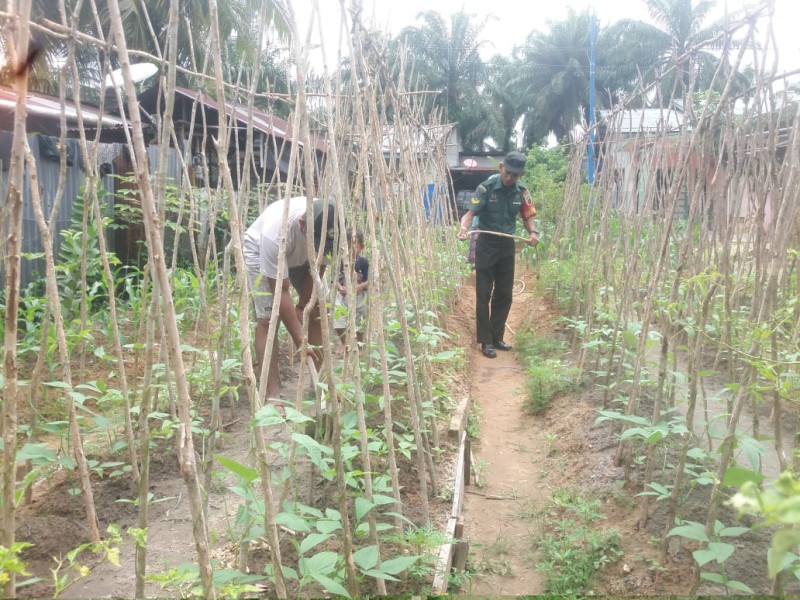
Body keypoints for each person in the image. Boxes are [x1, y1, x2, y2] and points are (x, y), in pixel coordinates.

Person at [244, 196, 340, 400]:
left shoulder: (331, 232)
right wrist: (299, 340)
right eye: (314, 242)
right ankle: (272, 394)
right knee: (267, 321)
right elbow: (281, 292)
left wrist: (304, 304)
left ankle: (320, 385)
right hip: (259, 250)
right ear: (302, 225)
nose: (318, 248)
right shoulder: (276, 234)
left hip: (303, 260)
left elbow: (318, 269)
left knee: (316, 310)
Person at [457, 150, 539, 358]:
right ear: (502, 167)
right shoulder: (486, 187)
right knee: (483, 293)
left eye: (515, 175)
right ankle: (485, 341)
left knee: (504, 293)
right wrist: (463, 228)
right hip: (486, 244)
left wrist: (533, 232)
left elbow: (527, 215)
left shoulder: (521, 191)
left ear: (521, 174)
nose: (510, 178)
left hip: (506, 246)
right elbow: (470, 214)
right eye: (508, 173)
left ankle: (497, 336)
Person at [333, 229, 369, 354]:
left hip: (359, 297)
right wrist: (339, 287)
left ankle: (359, 345)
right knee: (338, 318)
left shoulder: (364, 263)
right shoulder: (340, 261)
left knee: (359, 320)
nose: (350, 251)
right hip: (342, 296)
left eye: (354, 248)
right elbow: (334, 278)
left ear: (362, 247)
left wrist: (362, 286)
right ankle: (344, 343)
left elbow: (371, 280)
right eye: (347, 248)